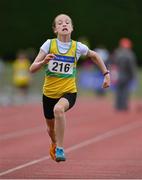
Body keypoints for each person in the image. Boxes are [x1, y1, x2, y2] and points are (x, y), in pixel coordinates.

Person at [29, 14, 110, 162]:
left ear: (72, 28)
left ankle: (60, 148)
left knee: (58, 110)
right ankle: (54, 142)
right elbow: (32, 68)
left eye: (67, 22)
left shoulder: (78, 47)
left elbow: (95, 56)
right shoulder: (49, 45)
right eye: (60, 23)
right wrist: (43, 62)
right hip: (48, 94)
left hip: (68, 92)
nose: (64, 24)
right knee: (50, 130)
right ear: (55, 29)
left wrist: (106, 74)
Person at [112, 38, 137, 111]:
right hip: (126, 75)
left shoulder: (117, 53)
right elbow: (131, 67)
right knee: (125, 91)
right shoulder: (130, 54)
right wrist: (133, 76)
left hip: (118, 75)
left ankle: (118, 106)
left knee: (118, 91)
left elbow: (113, 64)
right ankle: (124, 106)